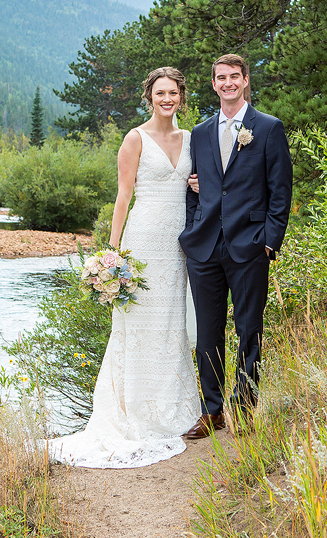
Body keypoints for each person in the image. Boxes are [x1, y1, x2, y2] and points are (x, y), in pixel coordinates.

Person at [47, 67, 200, 468]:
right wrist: (111, 254)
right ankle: (135, 412)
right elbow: (123, 197)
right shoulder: (134, 138)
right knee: (140, 325)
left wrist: (198, 185)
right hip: (144, 240)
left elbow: (200, 183)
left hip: (180, 243)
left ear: (181, 97)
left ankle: (176, 411)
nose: (166, 99)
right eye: (159, 93)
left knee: (172, 323)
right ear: (148, 97)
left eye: (173, 93)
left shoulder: (190, 139)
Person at [179, 54, 293, 439]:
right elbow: (194, 185)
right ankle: (213, 412)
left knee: (249, 330)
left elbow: (281, 192)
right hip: (205, 248)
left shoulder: (269, 129)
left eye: (234, 77)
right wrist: (193, 228)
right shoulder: (201, 132)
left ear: (245, 80)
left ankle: (244, 409)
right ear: (213, 84)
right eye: (220, 78)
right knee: (208, 333)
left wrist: (269, 243)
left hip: (250, 247)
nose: (227, 83)